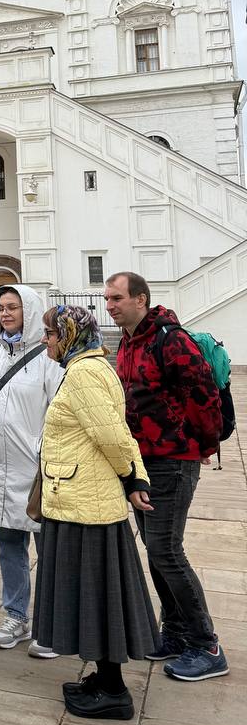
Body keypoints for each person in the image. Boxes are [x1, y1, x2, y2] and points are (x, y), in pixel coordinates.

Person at [34, 304, 158, 721]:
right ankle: (105, 680)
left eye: (50, 333)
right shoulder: (88, 366)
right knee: (96, 592)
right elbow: (116, 432)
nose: (46, 340)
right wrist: (134, 477)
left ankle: (114, 689)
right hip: (82, 497)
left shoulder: (85, 373)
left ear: (68, 335)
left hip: (84, 504)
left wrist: (133, 478)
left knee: (96, 593)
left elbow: (110, 435)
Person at [105, 271, 228, 682]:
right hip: (140, 463)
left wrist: (200, 446)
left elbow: (205, 395)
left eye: (117, 298)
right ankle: (174, 632)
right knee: (156, 551)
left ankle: (206, 645)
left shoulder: (170, 340)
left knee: (166, 550)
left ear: (141, 299)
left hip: (172, 460)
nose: (110, 305)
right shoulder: (128, 340)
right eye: (107, 299)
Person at [0, 284, 64, 656]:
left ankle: (51, 623)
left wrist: (43, 450)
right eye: (0, 307)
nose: (6, 313)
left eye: (13, 307)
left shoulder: (48, 355)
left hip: (34, 468)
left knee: (48, 548)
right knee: (8, 546)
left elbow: (58, 407)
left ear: (29, 310)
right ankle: (16, 615)